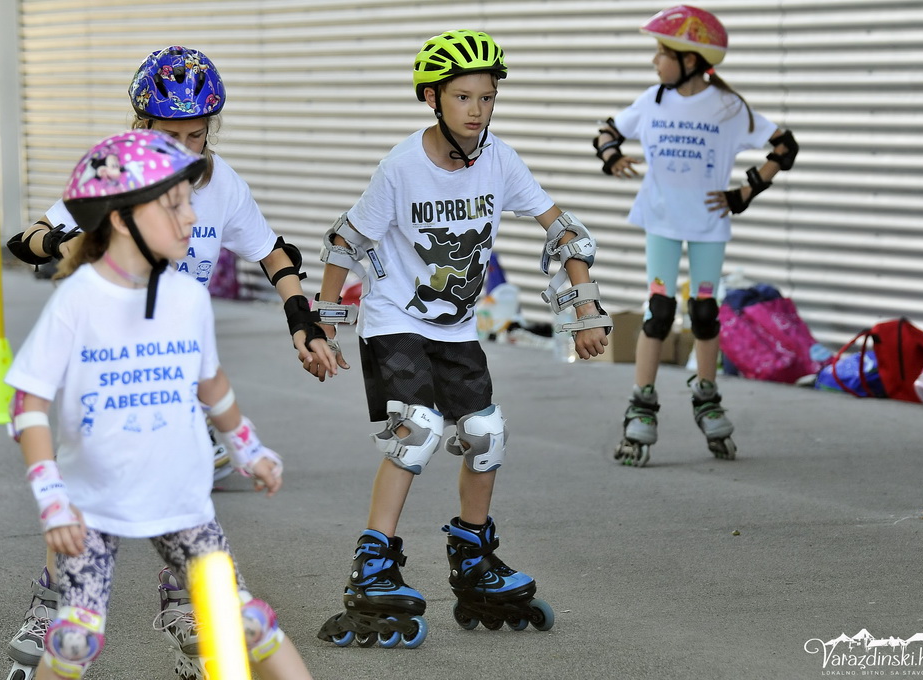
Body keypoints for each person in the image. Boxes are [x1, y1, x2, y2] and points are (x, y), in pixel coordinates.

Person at [2, 46, 334, 680]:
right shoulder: (115, 184)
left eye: (197, 138)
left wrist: (301, 325)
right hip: (104, 383)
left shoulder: (192, 280)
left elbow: (271, 256)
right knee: (89, 523)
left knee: (222, 574)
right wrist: (73, 240)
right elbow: (27, 241)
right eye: (171, 138)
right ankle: (56, 603)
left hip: (172, 379)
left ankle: (189, 608)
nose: (185, 160)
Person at [309, 29, 611, 648]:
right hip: (396, 319)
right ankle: (374, 564)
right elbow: (346, 241)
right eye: (463, 97)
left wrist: (585, 308)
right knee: (417, 428)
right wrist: (327, 323)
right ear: (432, 99)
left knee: (486, 433)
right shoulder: (401, 167)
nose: (477, 110)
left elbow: (566, 232)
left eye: (487, 97)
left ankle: (473, 558)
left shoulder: (500, 159)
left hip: (456, 326)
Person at [593, 5, 798, 466]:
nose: (654, 61)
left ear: (689, 60)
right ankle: (641, 405)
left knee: (705, 312)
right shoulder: (652, 100)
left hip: (708, 222)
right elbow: (607, 131)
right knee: (659, 310)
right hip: (662, 220)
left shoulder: (728, 107)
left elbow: (785, 146)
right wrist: (612, 157)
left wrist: (745, 192)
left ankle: (707, 398)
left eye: (662, 53)